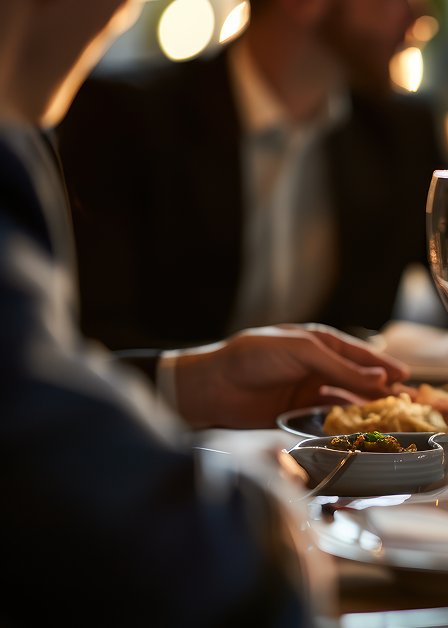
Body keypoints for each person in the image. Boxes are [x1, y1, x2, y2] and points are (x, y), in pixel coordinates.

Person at [0, 0, 410, 621]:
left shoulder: (396, 132)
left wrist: (197, 381)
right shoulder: (121, 118)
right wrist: (265, 523)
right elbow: (35, 422)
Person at [56, 0, 448, 352]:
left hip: (335, 431)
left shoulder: (403, 133)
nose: (419, 14)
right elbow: (93, 340)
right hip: (168, 428)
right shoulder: (128, 120)